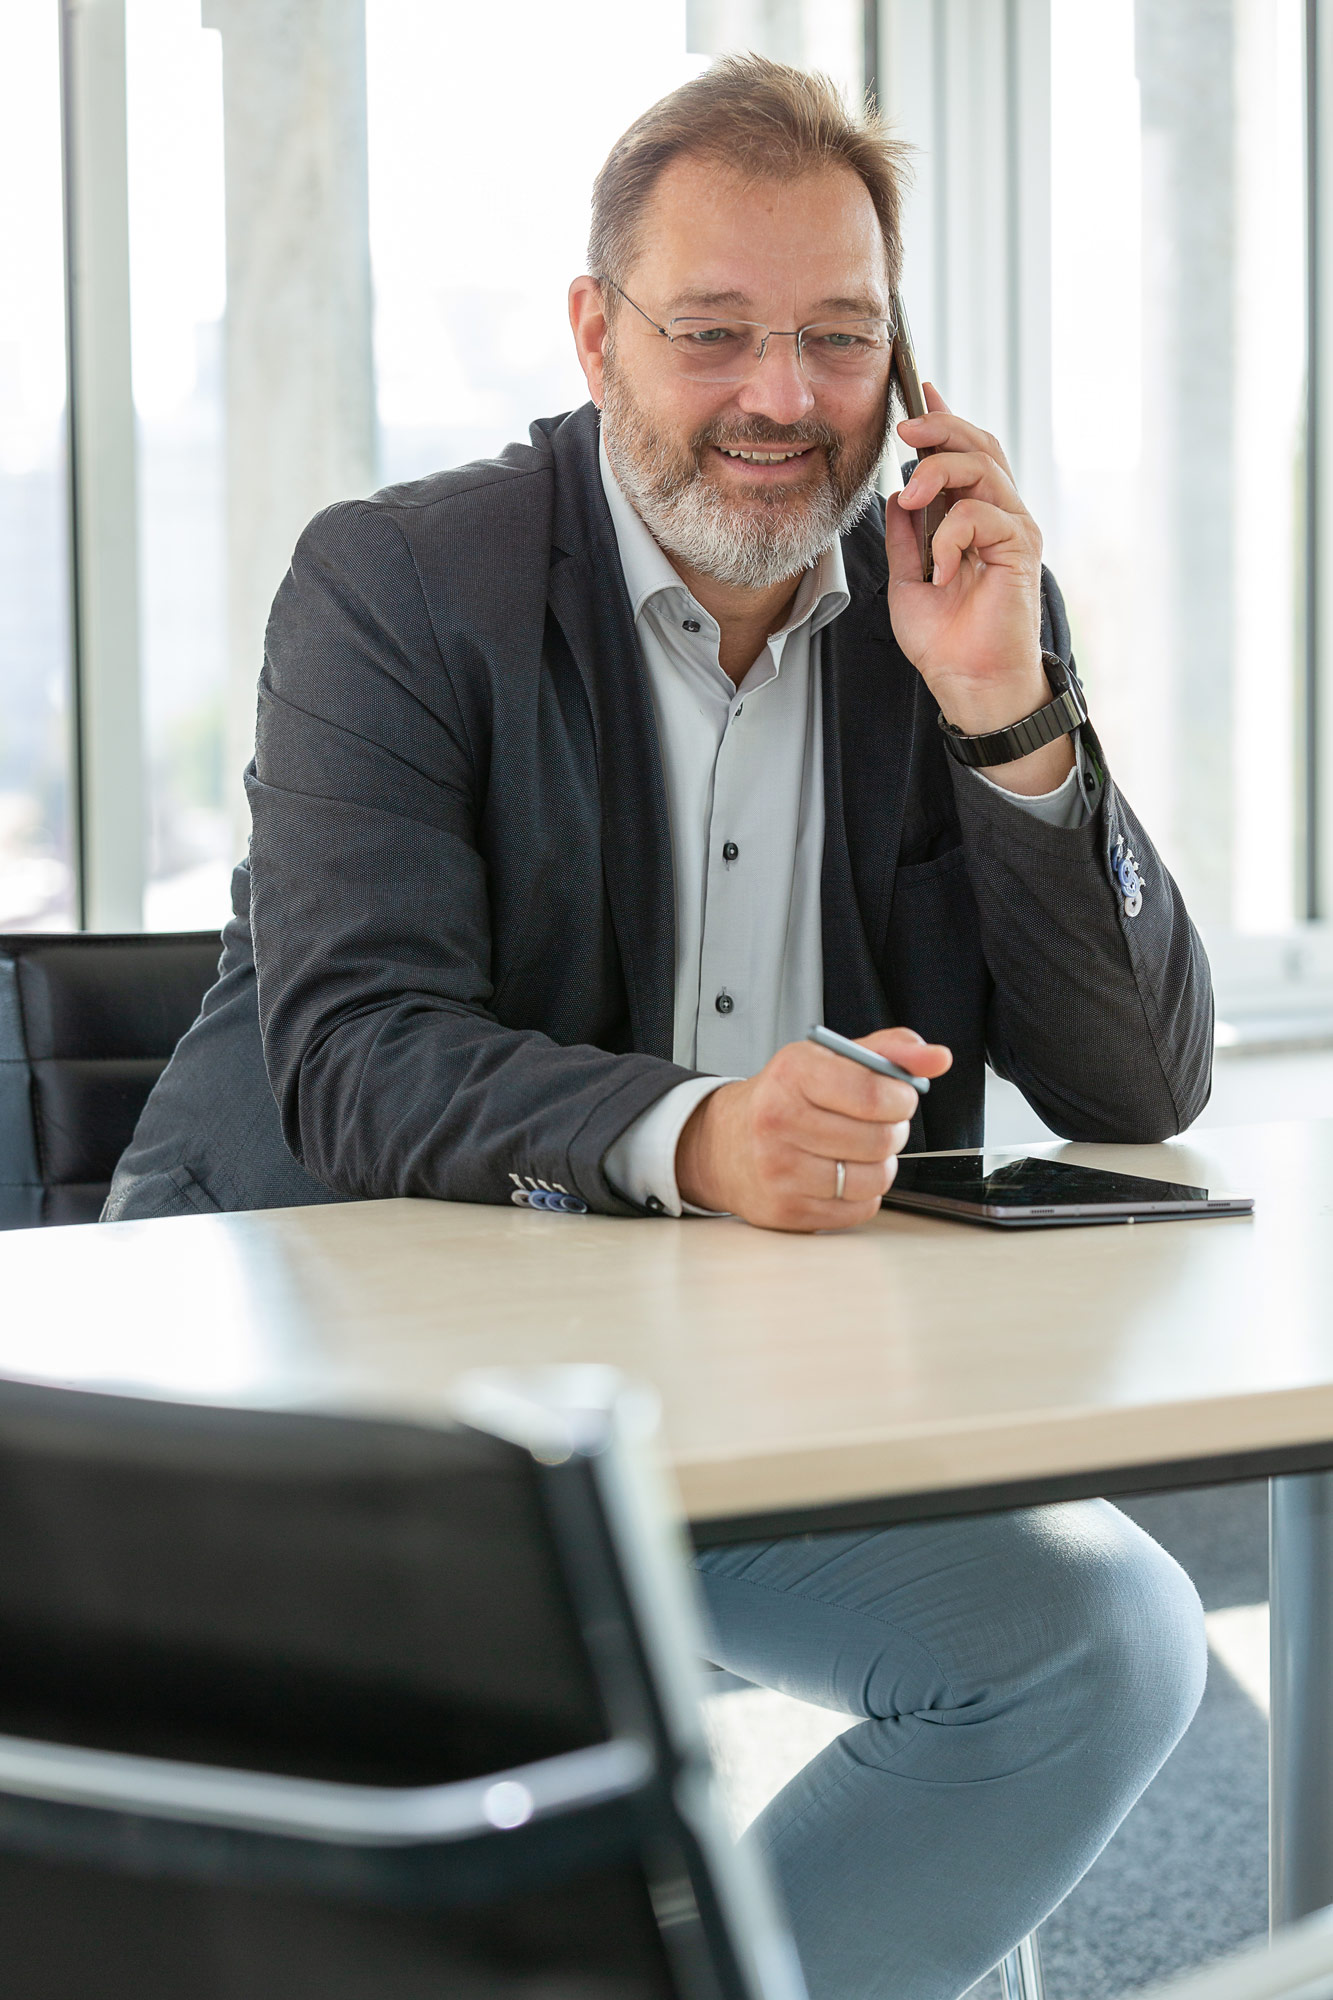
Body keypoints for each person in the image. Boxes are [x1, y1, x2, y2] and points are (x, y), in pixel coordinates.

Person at [107, 54, 1210, 2000]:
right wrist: (701, 1134)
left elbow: (1137, 1082)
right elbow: (355, 1043)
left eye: (838, 339)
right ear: (596, 334)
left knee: (1099, 1641)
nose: (783, 398)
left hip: (751, 1423)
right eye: (715, 334)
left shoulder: (942, 611)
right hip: (354, 1420)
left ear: (907, 368)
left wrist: (1008, 712)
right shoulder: (396, 585)